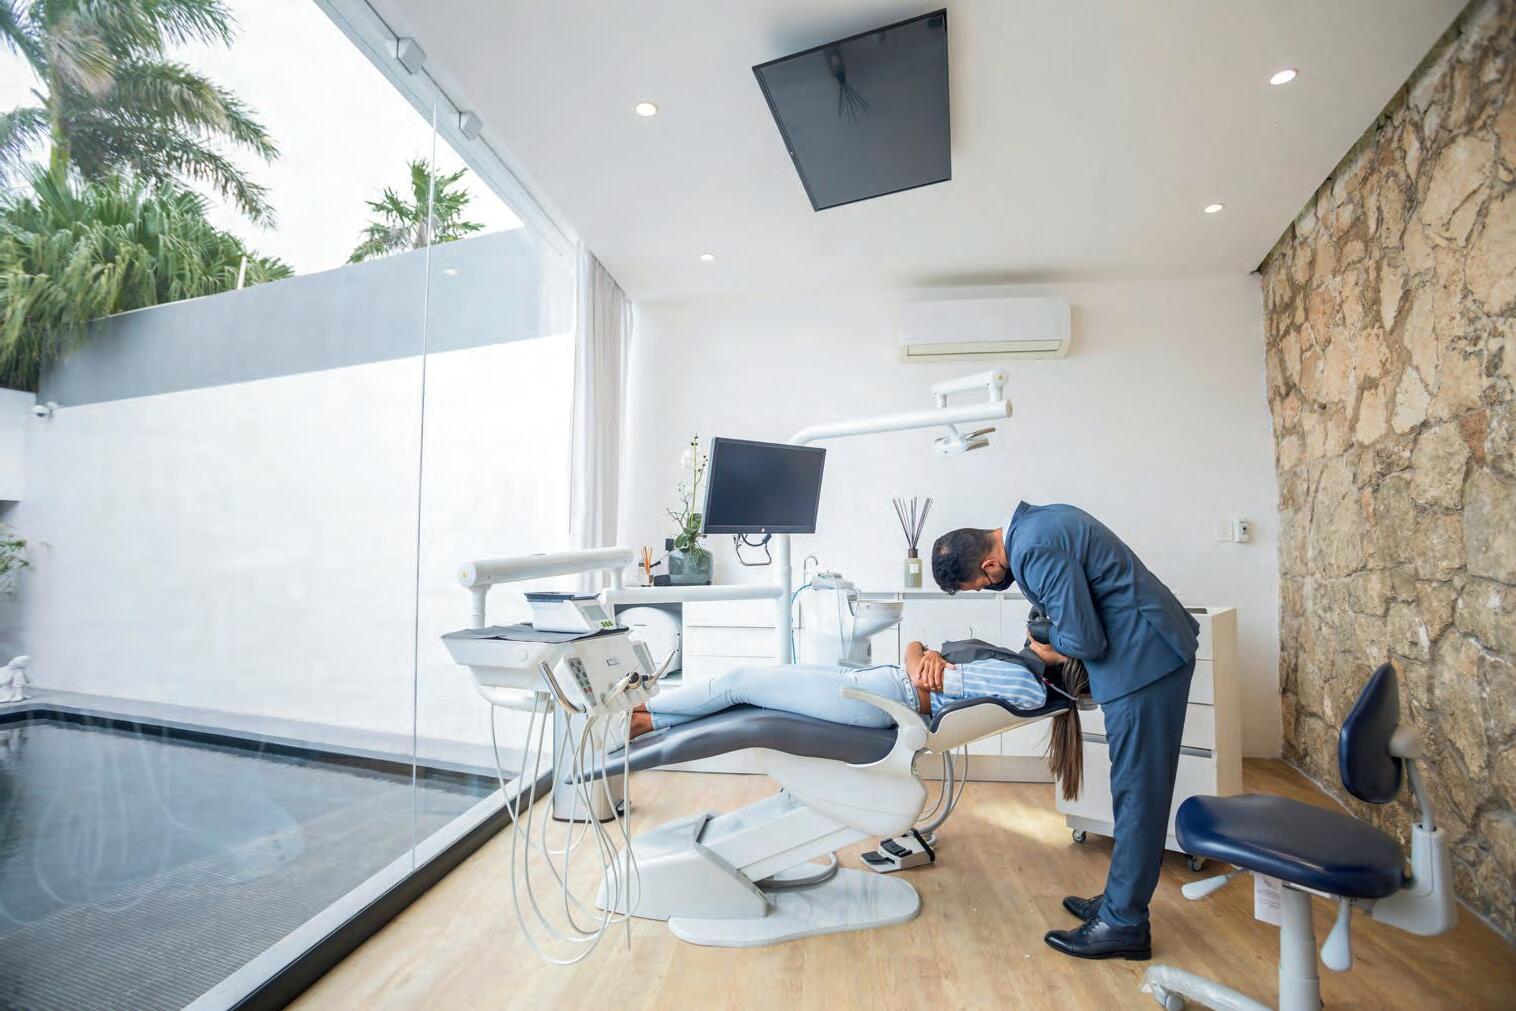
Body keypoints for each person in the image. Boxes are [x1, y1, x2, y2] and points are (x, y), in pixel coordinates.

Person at [930, 502, 1199, 962]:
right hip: (1146, 652)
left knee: (1139, 794)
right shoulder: (1037, 524)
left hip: (1145, 663)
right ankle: (1119, 900)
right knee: (1131, 791)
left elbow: (1085, 640)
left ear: (989, 565)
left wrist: (1048, 643)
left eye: (982, 584)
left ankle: (1124, 924)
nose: (989, 587)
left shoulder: (1033, 551)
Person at [627, 639, 1086, 788]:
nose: (1038, 625)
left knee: (741, 682)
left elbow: (924, 676)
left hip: (882, 698)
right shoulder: (1023, 672)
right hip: (880, 683)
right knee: (749, 692)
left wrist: (923, 655)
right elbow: (920, 657)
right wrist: (921, 654)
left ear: (1067, 653)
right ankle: (646, 721)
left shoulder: (1022, 682)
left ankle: (637, 713)